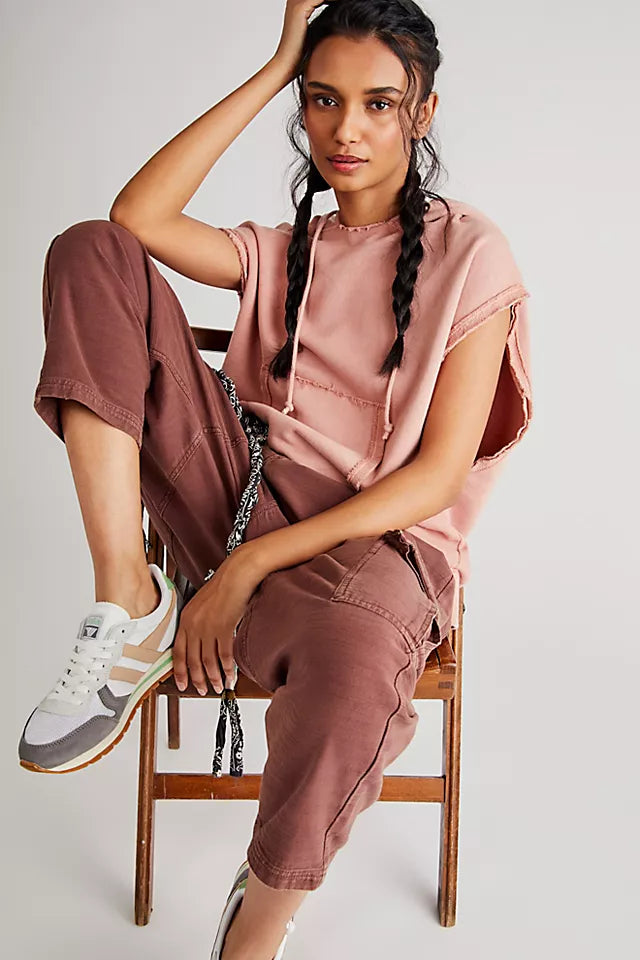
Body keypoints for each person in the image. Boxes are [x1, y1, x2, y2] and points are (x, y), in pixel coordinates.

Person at [17, 1, 533, 958]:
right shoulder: (284, 250)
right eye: (323, 99)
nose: (346, 129)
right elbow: (137, 219)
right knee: (90, 248)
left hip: (374, 549)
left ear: (423, 111)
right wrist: (275, 65)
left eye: (379, 103)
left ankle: (257, 923)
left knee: (355, 678)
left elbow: (435, 478)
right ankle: (130, 602)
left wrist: (246, 572)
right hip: (238, 496)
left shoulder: (472, 251)